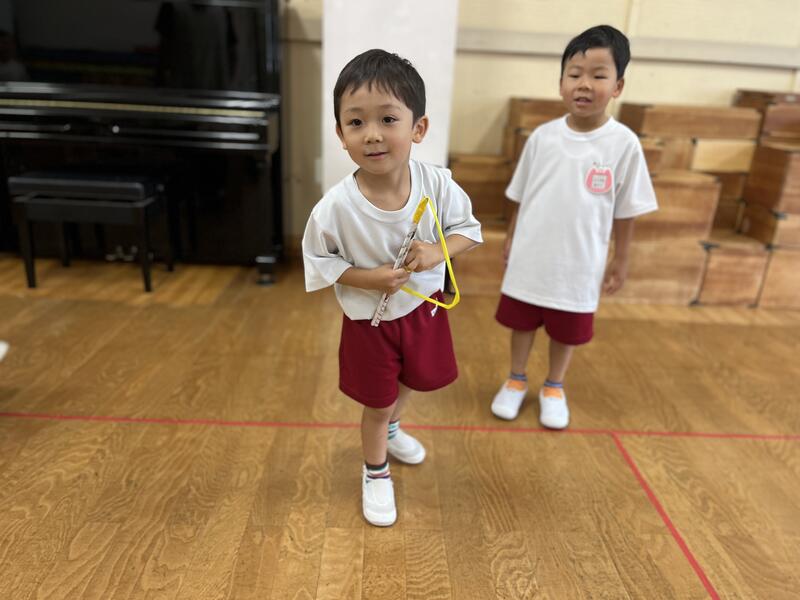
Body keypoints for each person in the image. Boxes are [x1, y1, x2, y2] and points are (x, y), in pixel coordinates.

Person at [303, 49, 482, 527]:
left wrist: (437, 252)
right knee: (377, 403)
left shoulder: (436, 184)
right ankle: (375, 470)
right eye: (356, 122)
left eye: (387, 119)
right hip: (371, 322)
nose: (373, 134)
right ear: (341, 134)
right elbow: (319, 262)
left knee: (409, 381)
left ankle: (394, 428)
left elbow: (469, 231)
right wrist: (369, 278)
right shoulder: (335, 207)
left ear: (417, 128)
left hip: (423, 311)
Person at [490, 25, 657, 430]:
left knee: (566, 330)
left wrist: (621, 259)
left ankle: (553, 386)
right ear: (561, 82)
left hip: (580, 262)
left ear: (617, 86)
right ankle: (515, 379)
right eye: (574, 73)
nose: (584, 84)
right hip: (531, 255)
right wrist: (511, 237)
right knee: (522, 322)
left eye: (598, 75)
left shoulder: (623, 144)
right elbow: (521, 194)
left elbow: (627, 210)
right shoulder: (543, 138)